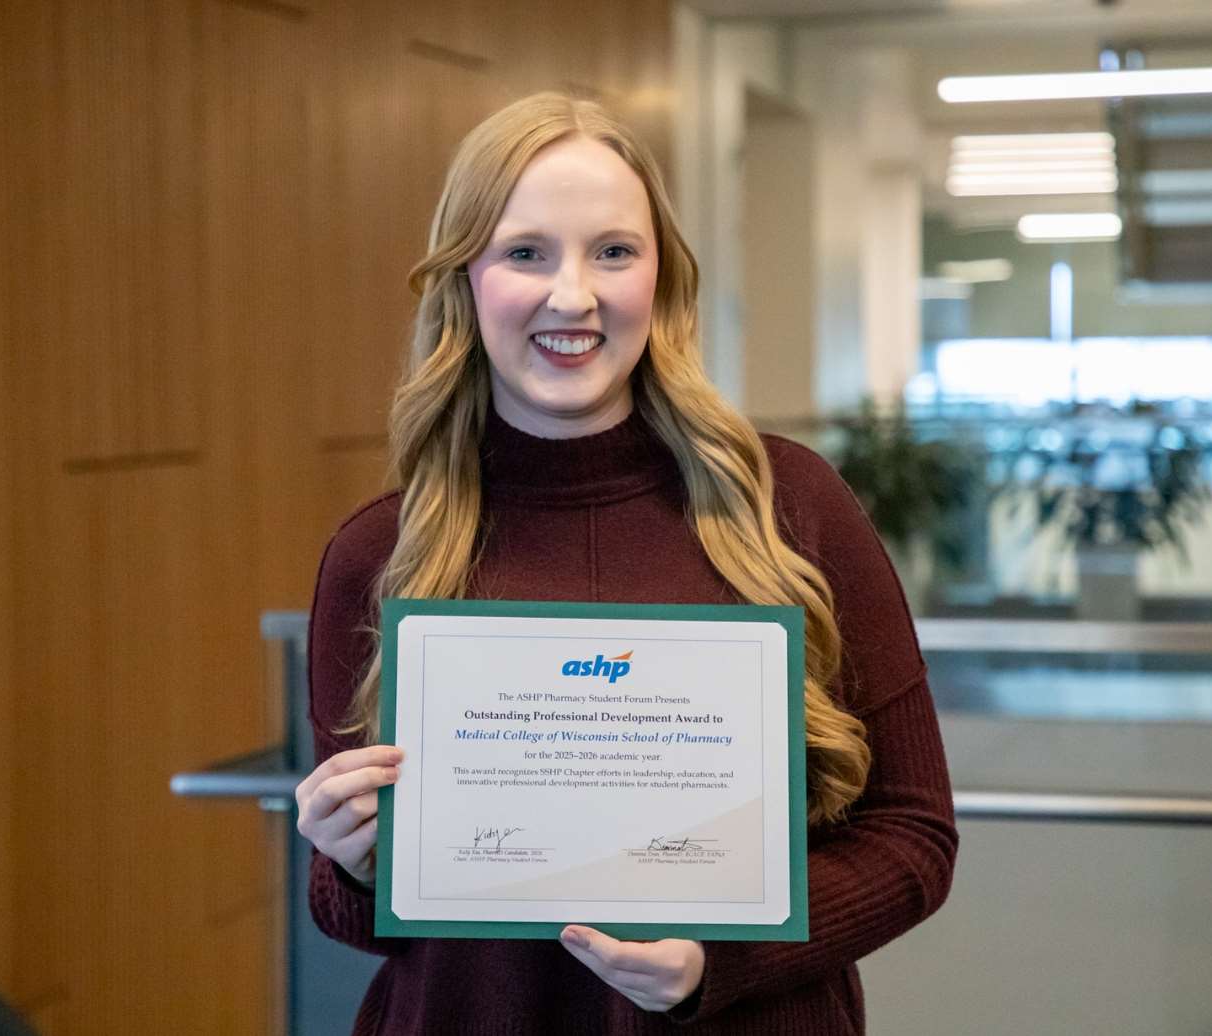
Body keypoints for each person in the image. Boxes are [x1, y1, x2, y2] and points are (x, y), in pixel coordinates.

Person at [295, 92, 957, 1034]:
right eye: (526, 253)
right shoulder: (381, 550)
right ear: (465, 278)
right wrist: (353, 862)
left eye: (613, 251)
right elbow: (356, 915)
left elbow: (913, 834)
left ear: (662, 277)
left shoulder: (791, 506)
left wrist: (721, 957)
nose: (574, 296)